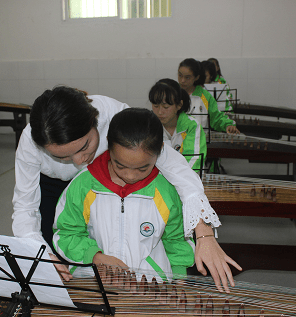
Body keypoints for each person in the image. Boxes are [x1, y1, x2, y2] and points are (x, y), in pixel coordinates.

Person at [12, 86, 241, 292]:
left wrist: (204, 234)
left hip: (109, 174)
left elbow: (176, 170)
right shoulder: (31, 143)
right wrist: (42, 254)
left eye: (84, 146)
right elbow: (25, 207)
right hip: (56, 187)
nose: (79, 160)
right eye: (61, 156)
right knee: (56, 259)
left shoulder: (114, 115)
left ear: (96, 122)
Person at [53, 108, 195, 280]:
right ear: (109, 145)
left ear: (160, 150)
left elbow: (177, 241)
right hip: (95, 280)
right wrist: (95, 257)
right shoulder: (83, 186)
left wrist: (179, 280)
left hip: (149, 286)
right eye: (120, 165)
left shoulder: (166, 190)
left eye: (142, 168)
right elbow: (66, 234)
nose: (130, 176)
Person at [149, 78, 206, 173]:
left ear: (179, 105)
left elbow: (193, 160)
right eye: (155, 106)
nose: (159, 112)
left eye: (166, 107)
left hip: (187, 181)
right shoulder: (149, 125)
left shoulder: (191, 125)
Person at [178, 58, 239, 134]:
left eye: (187, 77)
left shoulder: (205, 96)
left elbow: (216, 118)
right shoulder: (173, 94)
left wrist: (227, 125)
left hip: (200, 142)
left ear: (196, 77)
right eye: (180, 75)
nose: (182, 80)